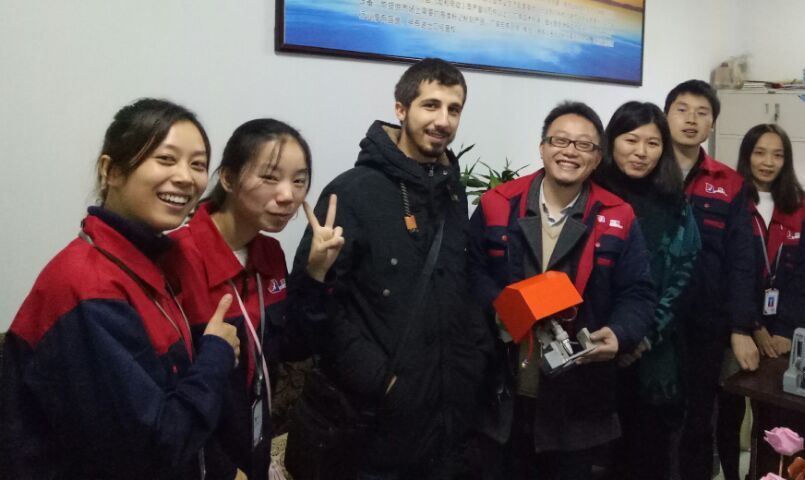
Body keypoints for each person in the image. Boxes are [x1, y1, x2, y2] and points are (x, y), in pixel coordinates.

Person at [0, 98, 240, 479]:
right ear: (110, 171)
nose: (186, 177)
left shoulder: (149, 261)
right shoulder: (87, 287)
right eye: (166, 159)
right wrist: (217, 353)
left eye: (197, 164)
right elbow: (154, 447)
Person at [292, 58, 491, 480]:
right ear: (401, 109)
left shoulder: (452, 191)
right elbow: (318, 312)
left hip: (447, 422)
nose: (443, 120)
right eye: (430, 105)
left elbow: (460, 285)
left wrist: (474, 361)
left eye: (454, 109)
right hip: (377, 424)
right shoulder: (352, 192)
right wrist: (379, 379)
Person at [469, 100, 657, 480]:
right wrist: (503, 310)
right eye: (560, 141)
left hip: (577, 405)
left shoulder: (618, 216)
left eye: (584, 145)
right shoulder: (498, 204)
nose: (570, 151)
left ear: (597, 158)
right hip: (502, 394)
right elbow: (471, 272)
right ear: (542, 148)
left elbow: (638, 292)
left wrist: (620, 333)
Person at [165, 119, 344, 480]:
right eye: (270, 177)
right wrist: (222, 470)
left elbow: (291, 346)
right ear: (228, 178)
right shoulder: (176, 257)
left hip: (253, 442)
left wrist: (315, 273)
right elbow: (162, 392)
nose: (288, 195)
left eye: (299, 181)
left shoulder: (270, 253)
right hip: (197, 460)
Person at [593, 101, 701, 480]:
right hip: (591, 344)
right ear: (611, 141)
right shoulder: (590, 194)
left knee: (647, 456)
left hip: (654, 350)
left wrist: (643, 335)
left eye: (653, 143)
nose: (641, 152)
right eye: (631, 139)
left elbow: (685, 271)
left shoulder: (674, 202)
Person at [663, 80, 758, 480]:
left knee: (699, 415)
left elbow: (742, 261)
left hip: (705, 322)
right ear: (666, 116)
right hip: (652, 320)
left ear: (712, 124)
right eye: (682, 110)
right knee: (648, 414)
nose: (691, 120)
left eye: (702, 113)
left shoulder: (730, 183)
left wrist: (740, 327)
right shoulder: (645, 169)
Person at [716, 124, 805, 480]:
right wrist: (752, 326)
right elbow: (728, 271)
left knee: (774, 418)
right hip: (738, 327)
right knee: (729, 411)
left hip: (781, 334)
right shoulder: (732, 202)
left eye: (777, 155)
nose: (768, 162)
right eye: (759, 152)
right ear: (746, 156)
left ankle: (763, 475)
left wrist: (785, 330)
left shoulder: (799, 209)